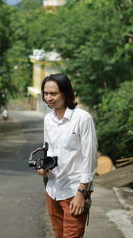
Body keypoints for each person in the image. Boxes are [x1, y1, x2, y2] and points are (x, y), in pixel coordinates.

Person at [38, 73, 98, 238]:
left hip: (74, 191)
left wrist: (81, 193)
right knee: (58, 235)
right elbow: (49, 150)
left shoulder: (82, 118)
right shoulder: (48, 119)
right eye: (46, 93)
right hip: (52, 189)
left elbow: (90, 157)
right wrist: (45, 168)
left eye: (53, 93)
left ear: (66, 93)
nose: (49, 98)